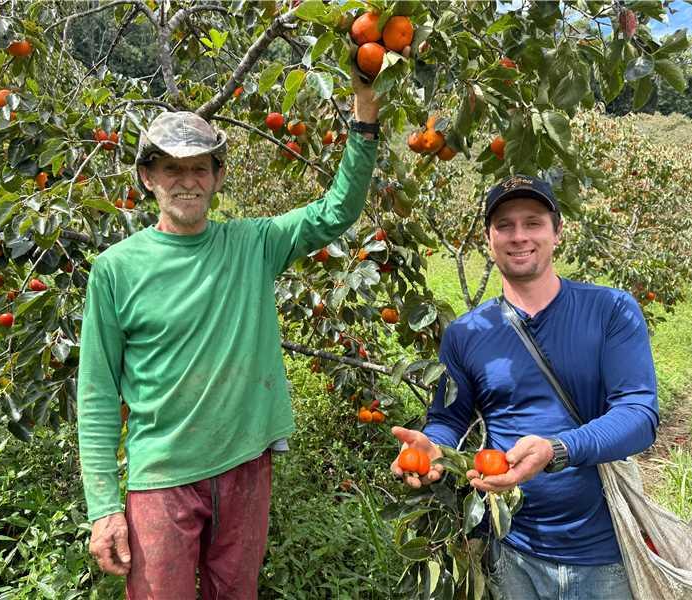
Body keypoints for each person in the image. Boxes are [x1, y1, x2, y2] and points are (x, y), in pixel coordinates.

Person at [77, 76, 379, 599]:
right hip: (162, 476)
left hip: (244, 466)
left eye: (199, 168)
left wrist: (365, 111)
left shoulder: (253, 244)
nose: (186, 181)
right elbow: (98, 394)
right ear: (148, 177)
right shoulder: (115, 270)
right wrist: (104, 507)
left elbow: (338, 210)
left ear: (218, 177)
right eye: (171, 168)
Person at [391, 174, 659, 600]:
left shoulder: (610, 310)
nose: (519, 236)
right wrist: (431, 445)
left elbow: (639, 415)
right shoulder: (465, 333)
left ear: (557, 231)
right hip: (511, 551)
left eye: (533, 222)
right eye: (505, 225)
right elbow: (449, 417)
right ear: (488, 238)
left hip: (604, 556)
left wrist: (556, 449)